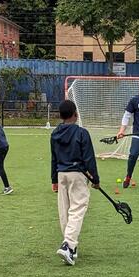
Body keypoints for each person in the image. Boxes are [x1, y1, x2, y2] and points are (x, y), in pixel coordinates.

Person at [51, 99, 100, 266]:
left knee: (65, 210)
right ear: (75, 114)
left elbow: (54, 158)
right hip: (77, 174)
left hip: (61, 174)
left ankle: (69, 245)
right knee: (78, 209)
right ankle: (68, 245)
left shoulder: (54, 133)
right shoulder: (81, 133)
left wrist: (54, 180)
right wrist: (95, 179)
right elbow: (89, 158)